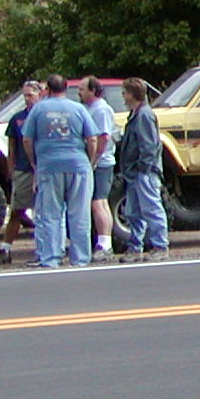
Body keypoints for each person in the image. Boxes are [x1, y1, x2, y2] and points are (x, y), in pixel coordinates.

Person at [22, 73, 102, 269]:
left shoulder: (38, 109)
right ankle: (80, 258)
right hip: (78, 165)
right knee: (80, 214)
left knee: (50, 215)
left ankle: (51, 258)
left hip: (49, 166)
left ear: (47, 89)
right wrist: (90, 161)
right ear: (67, 88)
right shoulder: (78, 109)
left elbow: (26, 139)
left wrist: (35, 163)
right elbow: (93, 138)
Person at [0, 80, 42, 266]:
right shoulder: (18, 118)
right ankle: (5, 248)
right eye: (25, 95)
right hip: (23, 169)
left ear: (39, 95)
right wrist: (11, 168)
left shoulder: (45, 115)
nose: (27, 99)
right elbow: (12, 144)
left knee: (43, 211)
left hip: (44, 169)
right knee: (18, 209)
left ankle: (44, 248)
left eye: (30, 95)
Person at [116, 76, 170, 262]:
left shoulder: (144, 115)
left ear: (132, 94)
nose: (123, 96)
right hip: (133, 172)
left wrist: (143, 169)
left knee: (151, 208)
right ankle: (135, 246)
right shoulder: (136, 114)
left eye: (124, 92)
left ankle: (160, 246)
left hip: (143, 172)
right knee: (133, 211)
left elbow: (149, 146)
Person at [79, 75, 119, 262]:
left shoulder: (101, 110)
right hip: (94, 162)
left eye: (82, 89)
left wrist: (93, 160)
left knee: (99, 202)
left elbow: (103, 137)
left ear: (92, 91)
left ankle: (105, 244)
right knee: (94, 202)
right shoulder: (89, 109)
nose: (79, 93)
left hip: (101, 163)